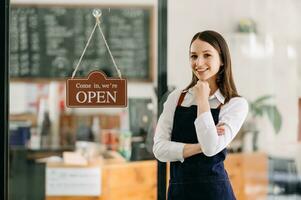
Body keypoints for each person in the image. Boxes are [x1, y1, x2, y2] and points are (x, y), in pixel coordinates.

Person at [153, 30, 249, 200]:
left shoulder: (235, 104)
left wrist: (202, 99)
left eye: (207, 55)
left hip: (215, 193)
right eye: (193, 56)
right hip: (178, 193)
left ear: (222, 60)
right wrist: (199, 147)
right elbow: (159, 149)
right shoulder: (176, 97)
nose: (199, 62)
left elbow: (211, 147)